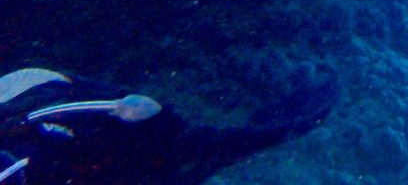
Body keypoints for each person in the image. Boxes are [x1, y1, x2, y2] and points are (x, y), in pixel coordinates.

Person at [0, 64, 337, 184]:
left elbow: (133, 108)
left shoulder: (26, 114)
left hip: (132, 148)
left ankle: (304, 107)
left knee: (224, 148)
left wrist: (130, 110)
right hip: (115, 155)